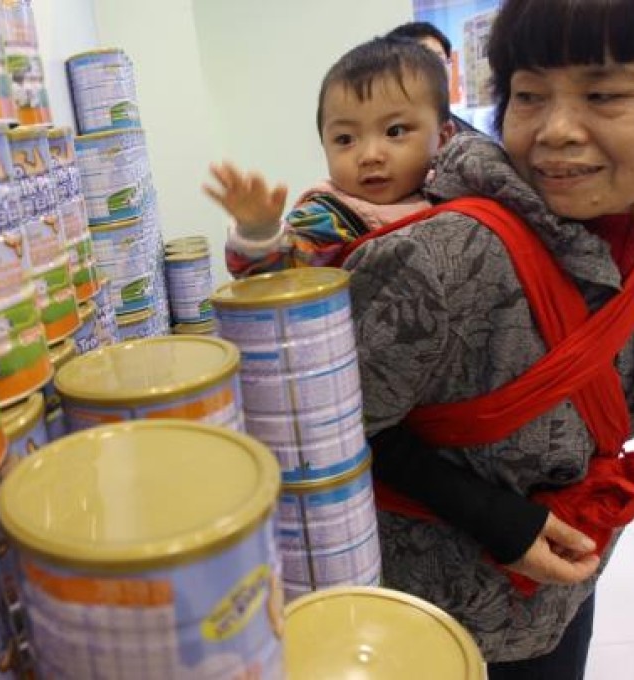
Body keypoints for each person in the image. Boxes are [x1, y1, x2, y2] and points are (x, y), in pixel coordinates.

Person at [209, 0, 634, 677]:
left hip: (567, 579)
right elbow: (315, 428)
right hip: (449, 610)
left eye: (604, 92)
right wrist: (495, 516)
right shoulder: (431, 252)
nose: (556, 131)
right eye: (528, 94)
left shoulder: (604, 235)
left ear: (440, 133)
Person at [204, 37, 454, 274]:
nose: (369, 156)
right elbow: (278, 273)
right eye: (345, 139)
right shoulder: (327, 217)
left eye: (394, 131)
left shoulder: (452, 191)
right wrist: (259, 233)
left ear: (443, 138)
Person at [386, 20, 483, 135]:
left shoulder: (474, 143)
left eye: (439, 61)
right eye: (420, 62)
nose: (432, 71)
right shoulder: (376, 131)